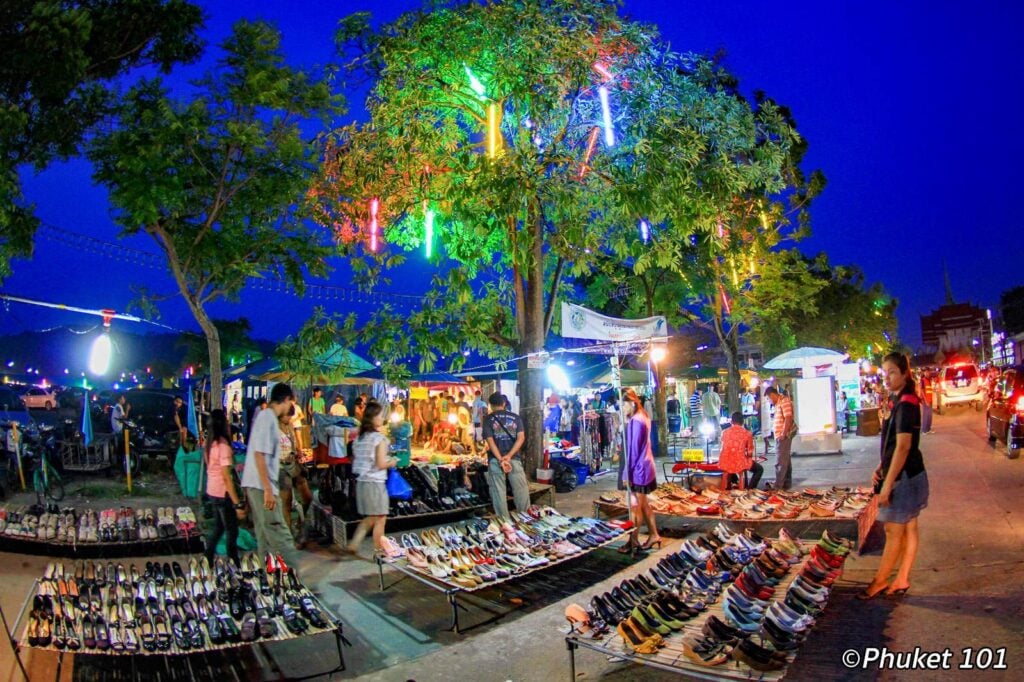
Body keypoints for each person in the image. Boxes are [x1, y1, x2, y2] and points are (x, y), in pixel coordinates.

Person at [859, 352, 929, 600]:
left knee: (892, 530)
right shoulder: (900, 399)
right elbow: (891, 444)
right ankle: (901, 578)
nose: (886, 378)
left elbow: (903, 446)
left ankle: (880, 581)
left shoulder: (907, 404)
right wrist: (881, 465)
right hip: (908, 473)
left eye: (891, 373)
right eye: (884, 372)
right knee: (909, 526)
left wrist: (887, 485)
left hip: (906, 477)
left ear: (904, 374)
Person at [240, 383, 300, 568]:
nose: (292, 408)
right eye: (292, 403)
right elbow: (259, 454)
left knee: (264, 532)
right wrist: (268, 489)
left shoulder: (266, 417)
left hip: (257, 484)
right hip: (262, 485)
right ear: (286, 400)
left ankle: (268, 574)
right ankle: (296, 577)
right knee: (278, 530)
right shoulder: (268, 418)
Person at [345, 401, 397, 556]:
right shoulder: (379, 439)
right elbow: (380, 463)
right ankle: (379, 553)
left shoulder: (359, 439)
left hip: (362, 483)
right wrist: (392, 462)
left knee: (372, 517)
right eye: (380, 415)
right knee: (380, 518)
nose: (382, 418)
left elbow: (354, 459)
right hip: (375, 483)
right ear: (373, 418)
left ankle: (354, 543)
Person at [618, 389, 661, 553]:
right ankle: (654, 535)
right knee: (644, 505)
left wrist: (626, 473)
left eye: (623, 404)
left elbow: (633, 450)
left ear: (632, 403)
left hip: (639, 469)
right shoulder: (643, 416)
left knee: (635, 507)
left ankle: (633, 541)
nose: (622, 408)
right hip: (646, 466)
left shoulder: (636, 421)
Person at [204, 409, 244, 567]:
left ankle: (208, 556)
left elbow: (213, 467)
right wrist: (237, 503)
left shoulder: (210, 444)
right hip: (222, 492)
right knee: (232, 530)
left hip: (212, 490)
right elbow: (227, 478)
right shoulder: (223, 446)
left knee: (219, 527)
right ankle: (234, 563)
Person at [481, 392, 530, 519]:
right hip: (514, 459)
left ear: (490, 405)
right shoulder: (516, 418)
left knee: (498, 492)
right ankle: (526, 519)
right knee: (521, 490)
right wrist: (509, 456)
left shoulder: (488, 419)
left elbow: (490, 442)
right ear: (504, 403)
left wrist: (501, 459)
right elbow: (521, 438)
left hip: (495, 460)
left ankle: (504, 522)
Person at [278, 408, 312, 547]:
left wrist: (299, 453)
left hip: (294, 464)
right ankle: (290, 538)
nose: (290, 418)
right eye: (288, 416)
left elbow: (295, 444)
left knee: (307, 497)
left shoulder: (290, 426)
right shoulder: (273, 428)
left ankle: (299, 523)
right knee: (286, 503)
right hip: (280, 467)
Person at [718, 412, 762, 490]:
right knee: (759, 469)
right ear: (743, 422)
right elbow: (750, 452)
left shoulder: (724, 432)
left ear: (731, 421)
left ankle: (730, 486)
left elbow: (723, 446)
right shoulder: (747, 433)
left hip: (725, 462)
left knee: (729, 468)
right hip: (740, 462)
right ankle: (750, 489)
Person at [765, 386, 795, 490]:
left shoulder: (784, 401)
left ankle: (778, 486)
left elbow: (788, 417)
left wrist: (783, 433)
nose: (769, 401)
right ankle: (786, 483)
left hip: (783, 436)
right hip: (780, 435)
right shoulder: (778, 403)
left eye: (768, 398)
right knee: (785, 460)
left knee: (780, 462)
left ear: (772, 395)